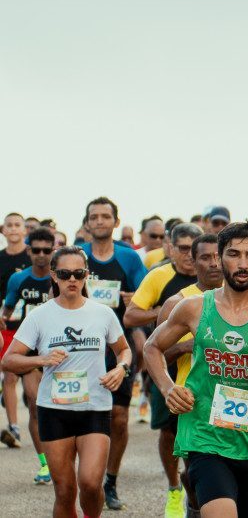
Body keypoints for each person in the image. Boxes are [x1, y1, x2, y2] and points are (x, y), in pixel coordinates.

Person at [144, 221, 248, 518]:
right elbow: (151, 347)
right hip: (205, 438)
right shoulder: (194, 308)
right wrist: (168, 387)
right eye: (234, 254)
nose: (243, 264)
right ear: (219, 258)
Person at [1, 246, 133, 518]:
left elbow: (124, 349)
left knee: (90, 483)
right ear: (53, 276)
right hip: (54, 410)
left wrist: (121, 368)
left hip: (94, 407)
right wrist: (42, 359)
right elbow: (9, 361)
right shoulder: (39, 315)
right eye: (64, 274)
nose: (72, 279)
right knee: (64, 491)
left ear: (87, 275)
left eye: (78, 273)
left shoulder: (102, 314)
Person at [123, 222, 202, 516]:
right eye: (183, 248)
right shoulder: (160, 276)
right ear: (170, 248)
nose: (190, 256)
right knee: (169, 433)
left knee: (200, 448)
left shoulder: (217, 280)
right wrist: (171, 313)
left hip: (207, 373)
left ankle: (195, 490)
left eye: (195, 250)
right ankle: (173, 489)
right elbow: (131, 316)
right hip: (167, 367)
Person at [81, 196, 147, 510]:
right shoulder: (77, 257)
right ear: (86, 223)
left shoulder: (129, 259)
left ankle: (110, 480)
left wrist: (132, 297)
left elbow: (144, 299)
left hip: (116, 344)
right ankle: (87, 477)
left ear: (115, 222)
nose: (99, 221)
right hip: (80, 346)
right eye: (93, 217)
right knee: (84, 414)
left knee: (118, 417)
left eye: (105, 216)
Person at [151, 233, 223, 518]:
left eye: (219, 256)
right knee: (196, 477)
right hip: (191, 399)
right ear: (193, 262)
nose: (214, 263)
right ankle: (185, 499)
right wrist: (184, 345)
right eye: (205, 257)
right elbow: (155, 352)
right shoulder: (178, 303)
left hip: (235, 396)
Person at [1, 227, 56, 481]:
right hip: (33, 353)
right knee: (34, 403)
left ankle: (65, 454)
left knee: (62, 407)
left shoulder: (63, 276)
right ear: (29, 250)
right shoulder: (19, 279)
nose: (42, 255)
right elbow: (9, 307)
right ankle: (45, 463)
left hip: (63, 351)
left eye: (47, 250)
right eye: (36, 250)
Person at [0, 213, 36, 447]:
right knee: (10, 375)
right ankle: (14, 427)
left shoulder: (34, 255)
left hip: (32, 327)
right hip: (7, 325)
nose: (13, 229)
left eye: (18, 225)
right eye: (9, 225)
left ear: (25, 231)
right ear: (3, 230)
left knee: (33, 386)